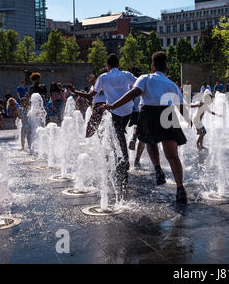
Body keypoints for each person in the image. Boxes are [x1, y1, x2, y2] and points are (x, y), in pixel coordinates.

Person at [103, 51, 191, 205]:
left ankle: (157, 169)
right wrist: (194, 123)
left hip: (149, 113)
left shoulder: (145, 78)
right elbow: (182, 107)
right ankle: (180, 188)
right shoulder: (171, 84)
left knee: (150, 141)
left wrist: (113, 105)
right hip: (168, 114)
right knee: (173, 156)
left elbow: (133, 94)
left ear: (152, 67)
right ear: (166, 68)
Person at [94, 55, 137, 190]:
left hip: (114, 110)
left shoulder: (103, 77)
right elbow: (138, 84)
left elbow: (93, 92)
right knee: (118, 133)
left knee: (118, 134)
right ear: (118, 64)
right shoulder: (126, 74)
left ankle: (124, 160)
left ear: (108, 66)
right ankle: (121, 157)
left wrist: (76, 91)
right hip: (128, 109)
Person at [70, 71, 107, 138]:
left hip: (99, 107)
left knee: (91, 128)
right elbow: (91, 97)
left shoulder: (98, 85)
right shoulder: (100, 86)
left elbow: (89, 95)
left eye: (91, 78)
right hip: (105, 106)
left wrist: (74, 91)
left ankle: (89, 141)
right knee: (101, 127)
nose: (89, 80)